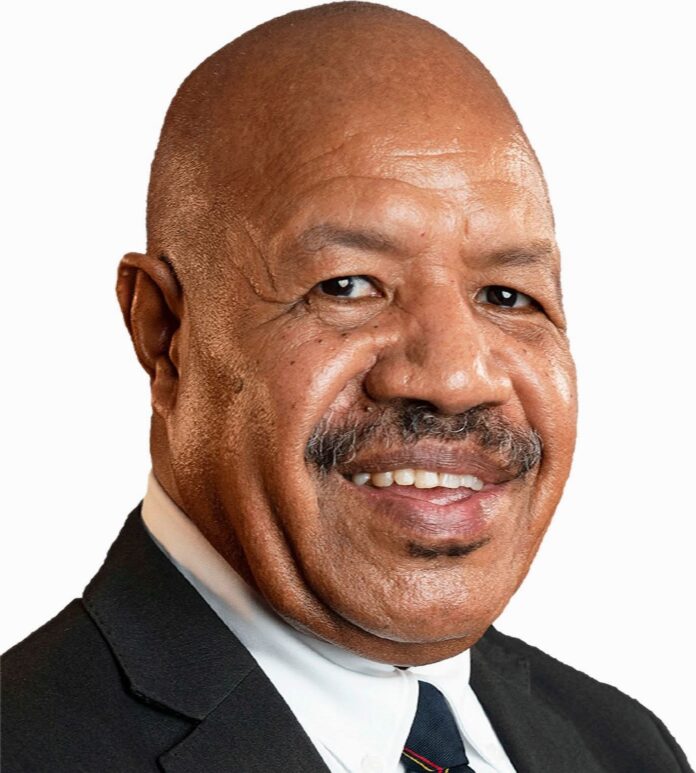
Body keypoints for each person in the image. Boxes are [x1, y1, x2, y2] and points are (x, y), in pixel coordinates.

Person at [1, 3, 691, 771]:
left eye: (507, 295)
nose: (457, 378)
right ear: (165, 333)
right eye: (347, 285)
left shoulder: (625, 746)